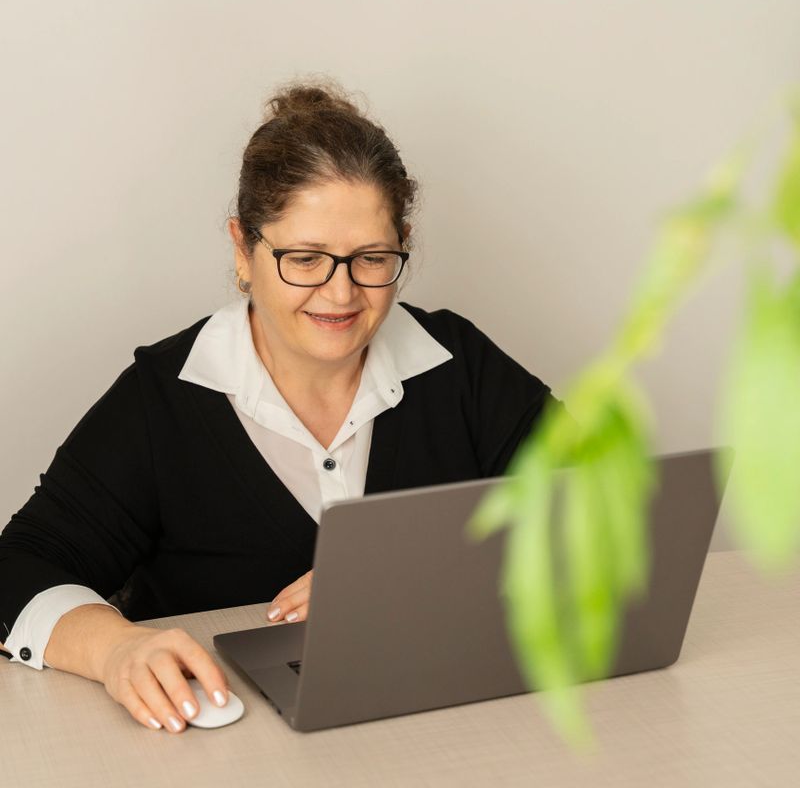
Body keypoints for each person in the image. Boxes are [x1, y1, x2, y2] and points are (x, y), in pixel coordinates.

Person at [0, 79, 559, 734]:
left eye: (371, 258)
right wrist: (116, 648)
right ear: (243, 248)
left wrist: (407, 574)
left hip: (450, 733)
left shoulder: (457, 363)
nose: (341, 293)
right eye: (306, 258)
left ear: (402, 242)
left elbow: (607, 507)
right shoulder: (163, 399)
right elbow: (17, 566)